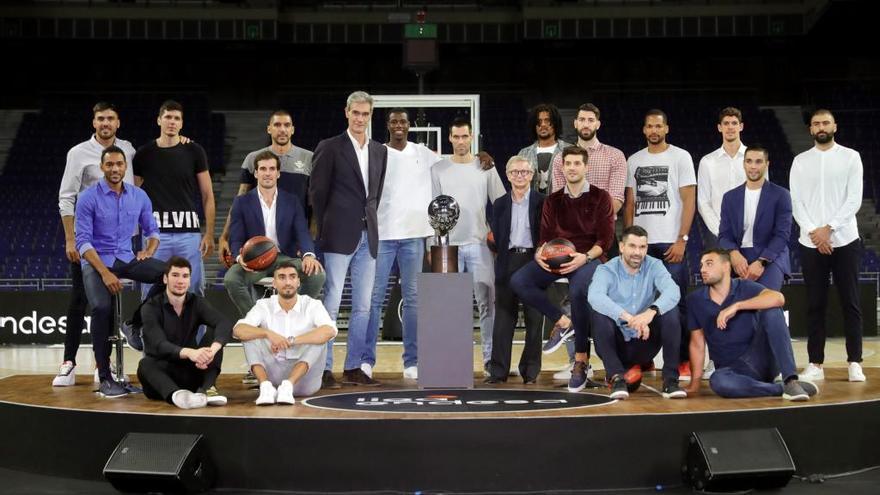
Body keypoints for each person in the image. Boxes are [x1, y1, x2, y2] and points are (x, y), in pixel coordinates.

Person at [511, 146, 615, 392]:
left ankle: (580, 361)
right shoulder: (553, 200)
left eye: (577, 163)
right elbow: (545, 237)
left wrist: (584, 257)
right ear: (562, 167)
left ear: (586, 167)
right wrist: (540, 252)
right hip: (558, 256)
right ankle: (562, 320)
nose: (572, 168)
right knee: (519, 281)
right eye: (568, 163)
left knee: (579, 290)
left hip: (589, 259)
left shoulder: (601, 197)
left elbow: (605, 241)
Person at [53, 102, 137, 387]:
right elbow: (67, 197)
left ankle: (104, 361)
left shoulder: (128, 150)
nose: (105, 123)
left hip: (118, 242)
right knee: (79, 300)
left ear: (118, 122)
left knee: (111, 302)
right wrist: (70, 238)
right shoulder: (78, 153)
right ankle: (68, 362)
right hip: (86, 241)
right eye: (100, 118)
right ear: (94, 122)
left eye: (110, 118)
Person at [75, 145, 167, 398]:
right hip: (96, 262)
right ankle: (105, 376)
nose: (115, 169)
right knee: (102, 308)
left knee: (169, 274)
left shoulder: (139, 196)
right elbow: (83, 242)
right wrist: (105, 273)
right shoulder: (88, 198)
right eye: (110, 164)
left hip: (126, 258)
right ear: (102, 167)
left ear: (126, 167)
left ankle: (133, 324)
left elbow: (153, 231)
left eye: (119, 164)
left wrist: (149, 249)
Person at [309, 90, 387, 388]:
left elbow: (374, 195)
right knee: (330, 303)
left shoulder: (380, 150)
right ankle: (324, 368)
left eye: (365, 114)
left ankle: (354, 366)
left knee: (364, 306)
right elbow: (317, 193)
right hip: (337, 236)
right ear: (346, 113)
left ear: (370, 116)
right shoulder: (329, 147)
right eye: (355, 113)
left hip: (370, 234)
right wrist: (327, 226)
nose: (360, 119)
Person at [548, 103, 628, 381]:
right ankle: (578, 362)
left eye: (590, 119)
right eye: (580, 118)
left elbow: (616, 199)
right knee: (573, 294)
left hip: (603, 239)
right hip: (569, 241)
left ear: (598, 124)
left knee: (602, 299)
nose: (584, 123)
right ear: (576, 123)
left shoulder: (615, 156)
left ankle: (613, 360)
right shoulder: (563, 157)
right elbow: (560, 197)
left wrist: (591, 224)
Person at [365, 108, 441, 380]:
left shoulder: (423, 153)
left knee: (413, 300)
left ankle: (412, 360)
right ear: (387, 125)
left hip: (414, 236)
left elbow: (452, 165)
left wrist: (480, 158)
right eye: (394, 121)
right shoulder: (376, 152)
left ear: (409, 126)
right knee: (373, 300)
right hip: (382, 236)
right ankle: (366, 359)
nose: (399, 125)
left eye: (403, 122)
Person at [790, 109, 866, 382]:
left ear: (835, 125)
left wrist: (829, 228)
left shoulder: (851, 157)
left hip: (845, 239)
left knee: (851, 302)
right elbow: (796, 202)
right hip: (810, 242)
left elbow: (854, 199)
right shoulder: (800, 161)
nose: (820, 127)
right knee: (815, 304)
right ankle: (815, 363)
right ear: (810, 129)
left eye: (825, 122)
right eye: (816, 123)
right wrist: (815, 232)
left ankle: (854, 362)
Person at [685, 249, 819, 401]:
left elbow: (778, 298)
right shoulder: (695, 300)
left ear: (726, 266)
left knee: (772, 310)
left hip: (760, 359)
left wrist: (737, 306)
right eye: (702, 265)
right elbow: (697, 344)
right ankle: (781, 388)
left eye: (709, 264)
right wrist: (694, 383)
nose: (703, 269)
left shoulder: (746, 287)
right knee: (717, 381)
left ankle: (790, 380)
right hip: (731, 370)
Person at [430, 117, 507, 374]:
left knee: (488, 305)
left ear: (471, 137)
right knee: (452, 307)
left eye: (465, 137)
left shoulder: (485, 166)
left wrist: (498, 238)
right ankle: (455, 363)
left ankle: (490, 361)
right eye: (456, 137)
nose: (461, 142)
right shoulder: (438, 169)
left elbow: (501, 204)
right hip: (448, 246)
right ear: (449, 138)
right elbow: (431, 210)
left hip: (479, 244)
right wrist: (433, 245)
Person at [624, 109, 696, 380]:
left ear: (666, 129)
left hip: (670, 243)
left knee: (675, 305)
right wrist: (629, 240)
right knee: (639, 305)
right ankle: (643, 359)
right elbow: (630, 203)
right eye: (649, 126)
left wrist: (682, 239)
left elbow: (689, 199)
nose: (654, 130)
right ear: (644, 130)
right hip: (642, 245)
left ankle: (681, 360)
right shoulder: (634, 160)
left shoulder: (681, 156)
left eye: (658, 126)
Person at [587, 226, 686, 399]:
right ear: (622, 247)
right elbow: (595, 296)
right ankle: (617, 378)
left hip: (644, 341)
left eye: (642, 247)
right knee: (599, 314)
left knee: (671, 312)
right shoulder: (606, 270)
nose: (637, 252)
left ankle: (670, 381)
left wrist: (650, 313)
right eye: (632, 246)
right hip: (616, 344)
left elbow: (673, 291)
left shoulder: (654, 265)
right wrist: (629, 317)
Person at [223, 150, 325, 316]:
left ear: (278, 173)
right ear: (256, 173)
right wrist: (240, 257)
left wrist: (308, 255)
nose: (267, 173)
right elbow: (236, 238)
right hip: (255, 261)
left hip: (284, 257)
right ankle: (255, 320)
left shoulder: (291, 201)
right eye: (263, 169)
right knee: (231, 279)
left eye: (272, 169)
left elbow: (302, 232)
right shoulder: (242, 202)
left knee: (317, 274)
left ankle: (295, 316)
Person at [133, 100, 216, 299]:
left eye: (176, 118)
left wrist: (209, 233)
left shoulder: (194, 151)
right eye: (168, 117)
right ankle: (148, 331)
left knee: (193, 290)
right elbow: (133, 197)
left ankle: (193, 332)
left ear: (181, 123)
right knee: (151, 291)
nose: (172, 121)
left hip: (189, 234)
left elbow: (207, 194)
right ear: (159, 120)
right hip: (155, 236)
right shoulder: (143, 154)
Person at [234, 260, 337, 405]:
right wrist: (268, 334)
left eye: (292, 277)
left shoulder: (312, 305)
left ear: (298, 282)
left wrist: (291, 341)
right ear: (274, 283)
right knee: (250, 335)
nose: (287, 282)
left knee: (320, 338)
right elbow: (238, 330)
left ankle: (288, 385)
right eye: (282, 277)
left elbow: (329, 331)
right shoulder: (263, 305)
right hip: (273, 377)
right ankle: (265, 387)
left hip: (305, 381)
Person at [218, 110, 313, 264]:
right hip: (260, 241)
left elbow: (314, 203)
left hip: (295, 240)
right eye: (277, 125)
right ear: (269, 129)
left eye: (286, 125)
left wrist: (309, 240)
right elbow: (240, 199)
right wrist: (224, 237)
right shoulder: (253, 158)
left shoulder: (309, 158)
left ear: (292, 129)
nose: (282, 129)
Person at [137, 256, 233, 409]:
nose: (180, 281)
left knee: (215, 337)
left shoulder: (197, 302)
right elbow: (158, 345)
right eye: (175, 275)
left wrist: (210, 351)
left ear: (189, 280)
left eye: (185, 276)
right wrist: (190, 352)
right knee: (145, 364)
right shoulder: (150, 307)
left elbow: (224, 323)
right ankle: (178, 396)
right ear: (165, 279)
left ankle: (207, 389)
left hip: (191, 372)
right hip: (162, 377)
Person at [484, 156, 545, 384]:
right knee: (503, 319)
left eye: (525, 172)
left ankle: (530, 371)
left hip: (533, 263)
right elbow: (497, 238)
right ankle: (498, 371)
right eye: (515, 172)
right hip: (507, 260)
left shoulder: (542, 202)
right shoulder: (499, 204)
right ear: (508, 175)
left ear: (532, 175)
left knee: (534, 319)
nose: (520, 175)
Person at [718, 146, 791, 291]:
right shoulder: (729, 197)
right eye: (749, 161)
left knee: (766, 305)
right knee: (734, 306)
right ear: (744, 164)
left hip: (770, 256)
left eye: (758, 162)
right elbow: (724, 235)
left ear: (767, 164)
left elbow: (782, 235)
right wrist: (734, 253)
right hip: (739, 256)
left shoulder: (781, 195)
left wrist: (761, 262)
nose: (753, 166)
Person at [697, 107, 749, 248]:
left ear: (741, 126)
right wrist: (721, 230)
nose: (730, 127)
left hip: (749, 234)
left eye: (734, 123)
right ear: (719, 128)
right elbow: (703, 202)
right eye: (726, 123)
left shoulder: (755, 158)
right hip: (717, 234)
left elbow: (763, 196)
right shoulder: (707, 161)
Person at [517, 103, 570, 195]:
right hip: (532, 208)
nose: (543, 125)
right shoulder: (523, 154)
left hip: (561, 207)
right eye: (539, 121)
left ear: (555, 123)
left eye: (547, 120)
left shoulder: (569, 151)